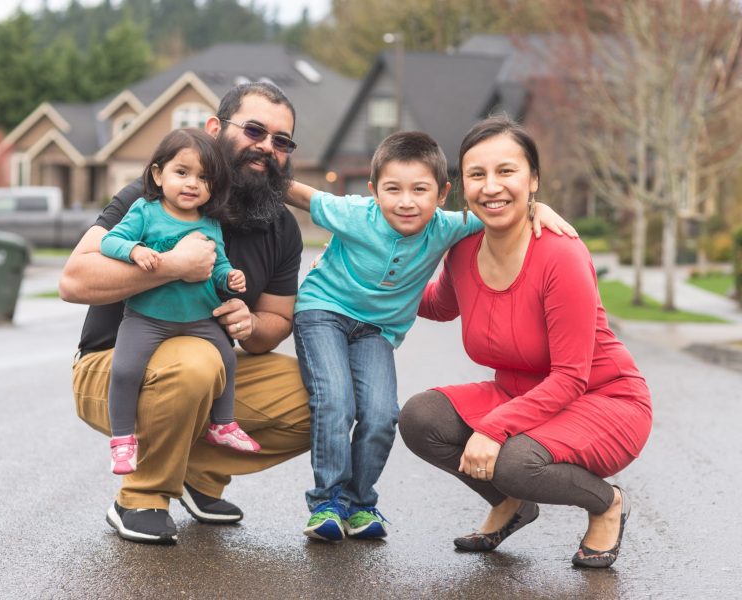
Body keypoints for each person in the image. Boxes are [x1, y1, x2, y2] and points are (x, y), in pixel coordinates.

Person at [285, 131, 576, 542]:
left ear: (442, 194)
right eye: (393, 190)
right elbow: (299, 194)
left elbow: (498, 210)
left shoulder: (447, 227)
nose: (406, 201)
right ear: (374, 191)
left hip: (377, 331)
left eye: (420, 190)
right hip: (323, 312)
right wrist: (243, 171)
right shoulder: (353, 213)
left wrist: (536, 206)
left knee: (383, 415)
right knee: (336, 401)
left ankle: (361, 503)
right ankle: (328, 502)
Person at [60, 82, 309, 545]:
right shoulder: (155, 196)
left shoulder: (280, 226)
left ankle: (198, 473)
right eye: (254, 130)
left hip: (205, 374)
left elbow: (275, 322)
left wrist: (251, 325)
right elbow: (73, 280)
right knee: (196, 361)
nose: (266, 147)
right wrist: (170, 267)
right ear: (215, 129)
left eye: (281, 141)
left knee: (324, 397)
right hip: (116, 367)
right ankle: (142, 496)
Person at [398, 116, 653, 568]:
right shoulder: (464, 248)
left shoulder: (560, 254)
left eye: (507, 171)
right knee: (421, 417)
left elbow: (572, 377)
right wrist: (370, 282)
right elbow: (439, 304)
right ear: (463, 185)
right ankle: (513, 503)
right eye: (477, 174)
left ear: (533, 179)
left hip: (603, 399)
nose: (491, 186)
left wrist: (494, 429)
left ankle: (607, 503)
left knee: (514, 460)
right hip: (522, 394)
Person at [101, 128, 260, 477]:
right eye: (182, 172)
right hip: (147, 316)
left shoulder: (210, 223)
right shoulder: (145, 211)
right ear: (159, 174)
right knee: (126, 370)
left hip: (200, 317)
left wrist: (229, 277)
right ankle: (123, 440)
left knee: (227, 360)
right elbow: (110, 241)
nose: (192, 184)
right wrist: (134, 249)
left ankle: (223, 424)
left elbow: (217, 265)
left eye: (204, 178)